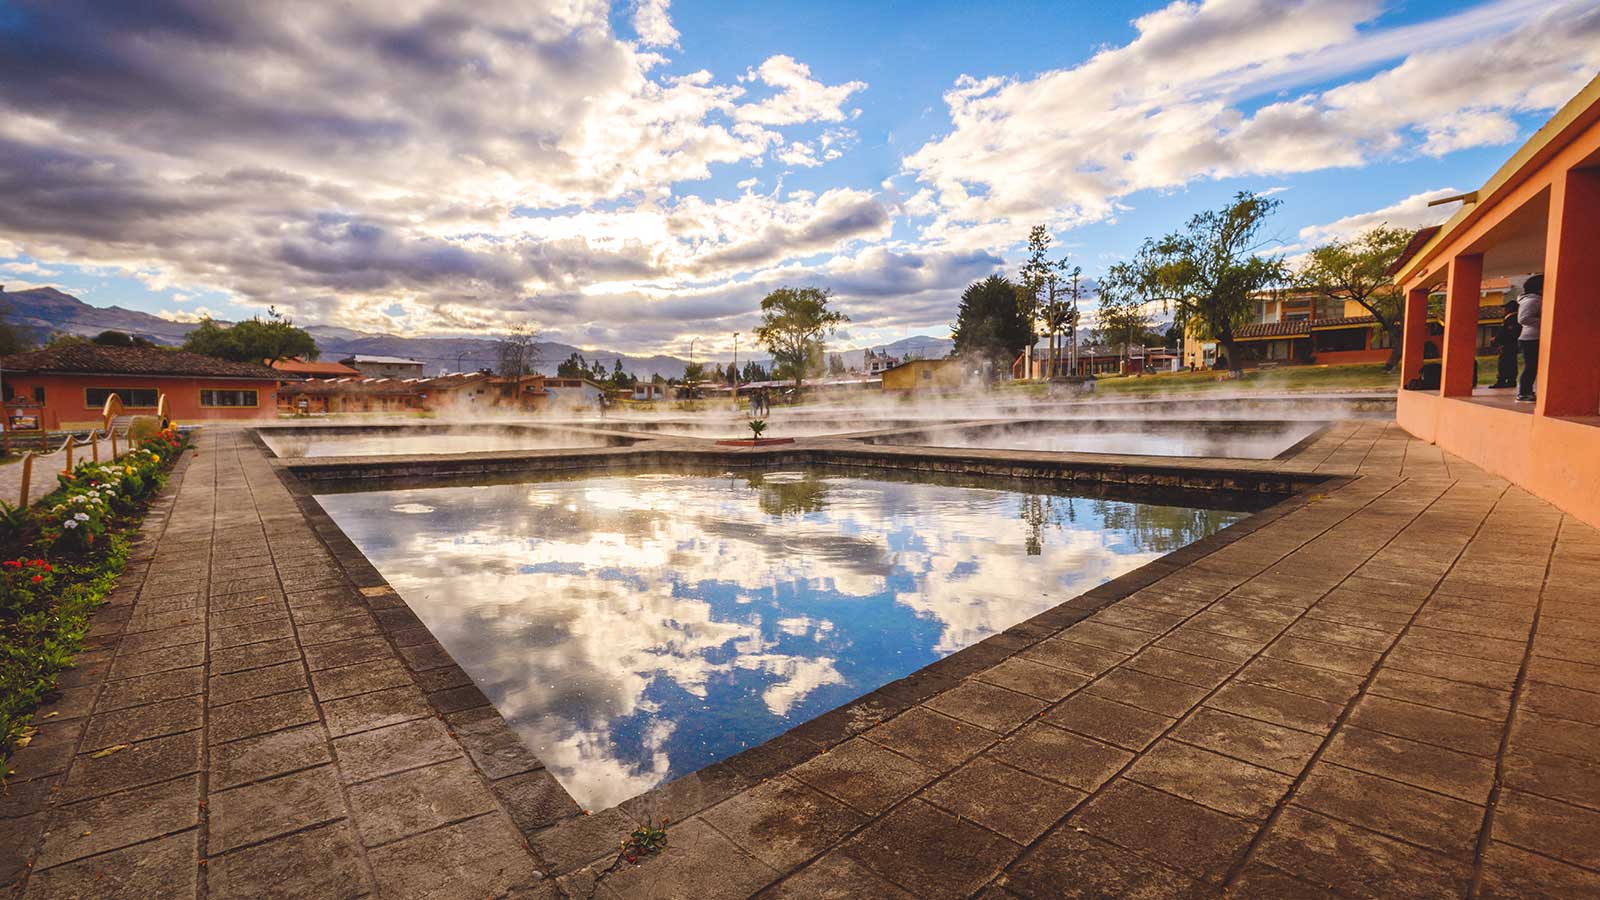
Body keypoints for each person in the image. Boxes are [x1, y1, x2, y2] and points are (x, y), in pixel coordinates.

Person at [1517, 274, 1543, 402]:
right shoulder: (1533, 300)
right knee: (1531, 366)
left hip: (1532, 337)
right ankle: (1524, 392)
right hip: (1531, 338)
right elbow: (1523, 318)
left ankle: (1526, 391)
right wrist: (1545, 322)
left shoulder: (1535, 299)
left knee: (1533, 366)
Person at [1490, 298, 1520, 388]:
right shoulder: (1513, 318)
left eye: (1505, 308)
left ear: (1509, 309)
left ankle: (1502, 381)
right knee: (1511, 362)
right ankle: (1511, 380)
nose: (1504, 310)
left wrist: (1497, 339)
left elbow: (1507, 333)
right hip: (1511, 345)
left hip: (1508, 345)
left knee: (1504, 363)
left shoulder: (1511, 319)